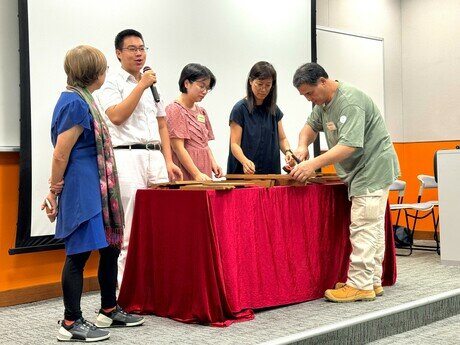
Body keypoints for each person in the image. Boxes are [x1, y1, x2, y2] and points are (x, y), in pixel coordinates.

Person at [42, 45, 144, 342]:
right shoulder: (75, 102)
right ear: (93, 73)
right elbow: (61, 153)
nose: (106, 72)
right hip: (82, 188)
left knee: (110, 248)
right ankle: (71, 322)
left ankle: (108, 310)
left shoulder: (85, 98)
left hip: (98, 186)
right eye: (103, 68)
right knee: (78, 254)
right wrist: (53, 189)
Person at [290, 62, 400, 302]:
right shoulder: (323, 103)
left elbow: (349, 146)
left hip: (373, 168)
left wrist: (312, 164)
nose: (309, 99)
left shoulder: (349, 101)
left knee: (363, 225)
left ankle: (359, 285)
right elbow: (309, 128)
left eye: (310, 93)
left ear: (323, 81)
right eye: (304, 95)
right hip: (363, 170)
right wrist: (301, 148)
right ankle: (371, 281)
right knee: (372, 227)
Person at [97, 29, 182, 285]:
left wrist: (168, 161)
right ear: (119, 53)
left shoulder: (151, 84)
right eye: (132, 49)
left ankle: (153, 289)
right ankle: (124, 296)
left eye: (142, 48)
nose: (139, 53)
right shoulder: (112, 83)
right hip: (127, 157)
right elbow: (116, 116)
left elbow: (162, 125)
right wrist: (141, 86)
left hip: (155, 157)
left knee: (160, 228)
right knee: (129, 232)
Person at [226, 61, 293, 174]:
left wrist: (288, 151)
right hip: (245, 171)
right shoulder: (240, 109)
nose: (263, 89)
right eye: (260, 84)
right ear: (250, 81)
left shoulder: (274, 110)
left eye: (268, 85)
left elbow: (282, 139)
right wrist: (245, 161)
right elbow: (234, 144)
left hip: (270, 170)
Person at [166, 63, 222, 181]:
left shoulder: (201, 112)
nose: (205, 91)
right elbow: (178, 148)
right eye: (201, 86)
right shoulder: (175, 109)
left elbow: (204, 144)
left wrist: (213, 163)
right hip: (187, 170)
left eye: (207, 88)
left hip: (203, 169)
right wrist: (196, 174)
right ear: (186, 83)